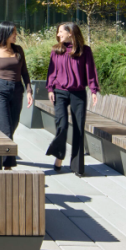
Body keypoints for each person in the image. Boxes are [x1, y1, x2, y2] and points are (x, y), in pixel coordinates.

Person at [45, 22, 99, 173]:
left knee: (79, 128)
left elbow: (91, 71)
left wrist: (93, 90)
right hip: (59, 92)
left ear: (70, 33)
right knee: (61, 125)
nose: (58, 34)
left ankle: (77, 167)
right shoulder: (56, 50)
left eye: (61, 31)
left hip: (78, 93)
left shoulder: (85, 51)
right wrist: (50, 88)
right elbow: (52, 71)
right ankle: (59, 156)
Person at [0, 22, 32, 168]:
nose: (16, 35)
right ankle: (7, 166)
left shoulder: (19, 50)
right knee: (6, 130)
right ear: (5, 33)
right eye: (13, 32)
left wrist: (29, 91)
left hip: (17, 90)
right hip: (0, 91)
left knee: (12, 126)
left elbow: (25, 73)